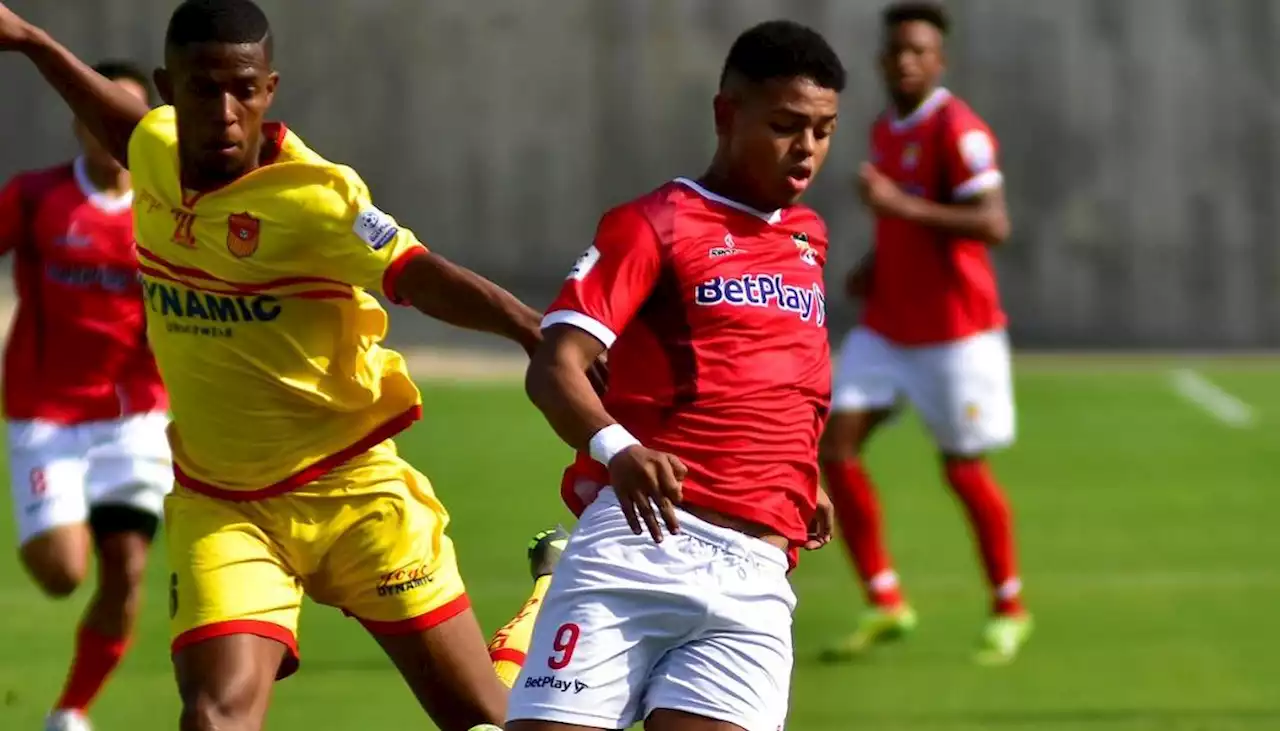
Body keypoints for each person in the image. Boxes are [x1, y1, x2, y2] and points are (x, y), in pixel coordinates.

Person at [0, 1, 568, 729]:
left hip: (354, 494)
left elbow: (421, 273)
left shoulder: (320, 198)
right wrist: (30, 39)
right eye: (204, 88)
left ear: (271, 88)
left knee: (488, 720)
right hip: (225, 505)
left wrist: (528, 328)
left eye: (243, 88)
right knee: (214, 717)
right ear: (167, 88)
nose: (226, 111)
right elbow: (111, 115)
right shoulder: (152, 149)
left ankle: (546, 597)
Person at [514, 20, 843, 731]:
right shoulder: (654, 223)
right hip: (643, 546)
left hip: (755, 576)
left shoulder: (807, 237)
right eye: (786, 125)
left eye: (822, 129)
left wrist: (797, 470)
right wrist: (617, 449)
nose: (807, 149)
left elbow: (778, 364)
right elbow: (555, 365)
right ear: (727, 114)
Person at [819, 1, 1030, 666]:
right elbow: (905, 221)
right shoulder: (887, 126)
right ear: (882, 59)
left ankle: (1008, 605)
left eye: (919, 51)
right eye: (896, 51)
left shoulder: (959, 130)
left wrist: (895, 205)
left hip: (955, 333)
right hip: (888, 325)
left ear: (939, 61)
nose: (906, 61)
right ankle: (885, 600)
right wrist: (873, 263)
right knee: (834, 447)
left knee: (962, 467)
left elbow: (992, 223)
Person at [0, 61, 169, 731]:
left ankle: (70, 711)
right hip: (46, 414)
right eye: (99, 116)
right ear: (78, 121)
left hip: (135, 420)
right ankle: (52, 518)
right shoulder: (37, 198)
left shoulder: (170, 211)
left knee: (126, 569)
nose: (111, 131)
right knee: (64, 572)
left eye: (124, 118)